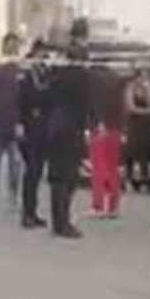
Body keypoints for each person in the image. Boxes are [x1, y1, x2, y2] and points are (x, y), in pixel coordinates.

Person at [45, 20, 91, 239]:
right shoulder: (78, 59)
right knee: (67, 176)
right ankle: (62, 223)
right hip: (70, 124)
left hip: (56, 122)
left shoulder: (60, 59)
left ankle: (59, 221)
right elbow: (83, 93)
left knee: (59, 176)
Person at [18, 41, 53, 229]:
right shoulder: (26, 74)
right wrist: (19, 123)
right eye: (41, 55)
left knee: (38, 171)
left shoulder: (46, 73)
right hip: (29, 125)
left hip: (43, 126)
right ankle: (27, 214)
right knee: (31, 171)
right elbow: (19, 100)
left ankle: (33, 212)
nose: (43, 58)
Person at [0, 35, 24, 208]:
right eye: (9, 46)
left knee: (15, 162)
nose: (12, 49)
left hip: (14, 122)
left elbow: (25, 99)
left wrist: (21, 122)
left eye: (15, 46)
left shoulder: (21, 72)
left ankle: (13, 195)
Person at [88, 65, 126, 218]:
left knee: (98, 168)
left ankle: (98, 205)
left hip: (99, 128)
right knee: (113, 168)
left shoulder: (95, 89)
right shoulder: (118, 89)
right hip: (115, 128)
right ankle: (113, 206)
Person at [124, 70, 150, 191]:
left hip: (145, 125)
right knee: (131, 151)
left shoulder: (148, 89)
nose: (143, 80)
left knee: (144, 151)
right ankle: (129, 179)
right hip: (134, 123)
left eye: (145, 77)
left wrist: (148, 91)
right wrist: (146, 111)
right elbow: (131, 107)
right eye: (142, 77)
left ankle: (144, 180)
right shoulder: (130, 88)